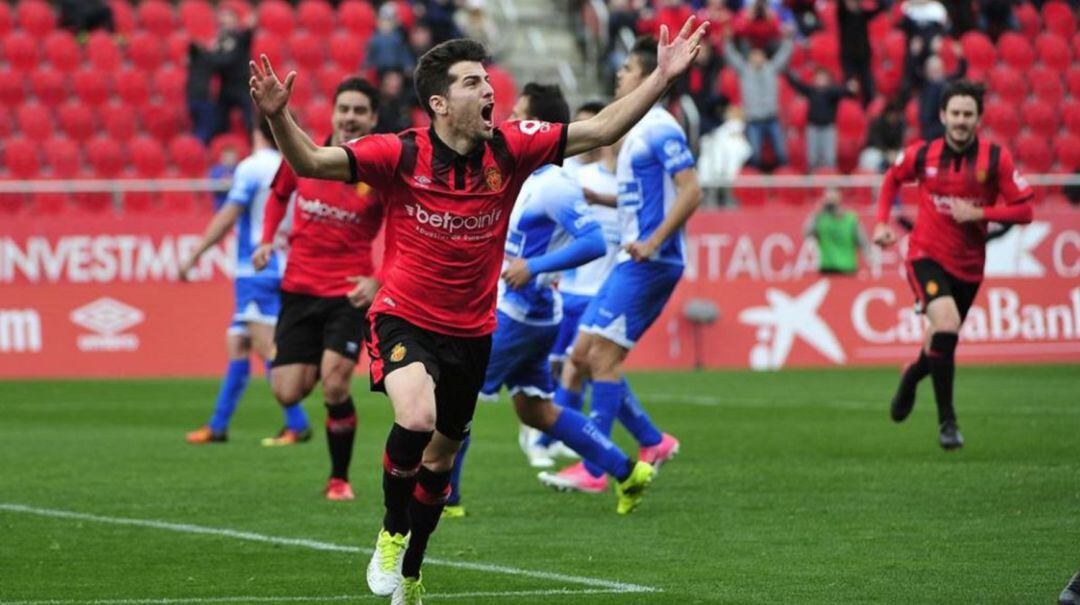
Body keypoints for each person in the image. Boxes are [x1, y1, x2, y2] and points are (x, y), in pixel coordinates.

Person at [249, 15, 708, 604]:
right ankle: (391, 532)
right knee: (414, 419)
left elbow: (600, 128)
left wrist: (662, 80)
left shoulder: (512, 148)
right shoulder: (400, 152)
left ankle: (412, 570)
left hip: (472, 329)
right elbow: (312, 161)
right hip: (403, 315)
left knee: (440, 462)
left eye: (487, 79)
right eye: (472, 82)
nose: (488, 89)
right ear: (439, 102)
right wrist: (277, 115)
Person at [445, 83, 638, 516]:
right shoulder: (525, 177)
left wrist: (534, 267)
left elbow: (593, 242)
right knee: (536, 410)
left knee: (454, 396)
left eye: (519, 114)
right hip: (530, 312)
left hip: (520, 313)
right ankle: (626, 470)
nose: (510, 121)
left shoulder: (554, 185)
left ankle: (447, 499)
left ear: (540, 126)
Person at [547, 35, 702, 494]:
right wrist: (602, 198)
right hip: (629, 258)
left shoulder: (661, 127)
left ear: (648, 76)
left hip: (651, 261)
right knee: (579, 356)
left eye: (627, 70)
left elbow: (691, 190)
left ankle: (597, 469)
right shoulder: (636, 130)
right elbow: (645, 198)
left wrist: (654, 241)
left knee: (601, 359)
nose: (619, 76)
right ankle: (650, 443)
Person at [872, 80, 1034, 450]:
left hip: (970, 266)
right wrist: (882, 222)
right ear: (943, 115)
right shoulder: (922, 155)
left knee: (940, 339)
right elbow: (892, 178)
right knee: (946, 323)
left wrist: (980, 212)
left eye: (968, 114)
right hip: (925, 256)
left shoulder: (995, 159)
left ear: (978, 118)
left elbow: (1025, 209)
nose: (961, 121)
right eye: (955, 113)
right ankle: (947, 422)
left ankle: (913, 376)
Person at [252, 78, 385, 500]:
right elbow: (277, 195)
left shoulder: (379, 169)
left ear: (373, 118)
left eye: (359, 110)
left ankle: (338, 479)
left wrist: (378, 278)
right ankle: (320, 386)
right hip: (299, 287)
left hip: (348, 293)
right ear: (333, 113)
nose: (350, 117)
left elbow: (405, 229)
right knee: (287, 390)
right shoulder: (303, 153)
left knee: (335, 384)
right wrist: (267, 238)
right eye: (344, 108)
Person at [181, 119, 311, 445]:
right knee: (237, 343)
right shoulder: (294, 163)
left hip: (257, 269)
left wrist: (195, 254)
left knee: (266, 346)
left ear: (256, 133)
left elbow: (228, 215)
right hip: (280, 263)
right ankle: (218, 425)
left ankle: (297, 423)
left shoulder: (252, 167)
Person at [724, 26, 793, 168]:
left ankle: (783, 183)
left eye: (759, 55)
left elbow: (784, 55)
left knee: (782, 154)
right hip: (753, 120)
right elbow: (731, 56)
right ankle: (756, 187)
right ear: (750, 57)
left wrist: (788, 39)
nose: (757, 58)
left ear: (764, 57)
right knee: (754, 156)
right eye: (754, 55)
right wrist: (728, 41)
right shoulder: (744, 70)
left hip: (771, 118)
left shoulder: (771, 68)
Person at [785, 67, 858, 170]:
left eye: (823, 77)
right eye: (818, 77)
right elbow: (798, 85)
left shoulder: (832, 91)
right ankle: (813, 183)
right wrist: (788, 74)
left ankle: (830, 182)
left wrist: (851, 88)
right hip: (813, 128)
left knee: (829, 158)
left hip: (828, 128)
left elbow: (846, 92)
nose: (820, 80)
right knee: (812, 158)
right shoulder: (811, 91)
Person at [802, 187, 871, 275]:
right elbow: (806, 233)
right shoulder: (820, 218)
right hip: (827, 267)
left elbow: (863, 241)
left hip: (848, 268)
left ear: (840, 199)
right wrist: (816, 213)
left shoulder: (851, 218)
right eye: (828, 200)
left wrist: (869, 258)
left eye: (833, 200)